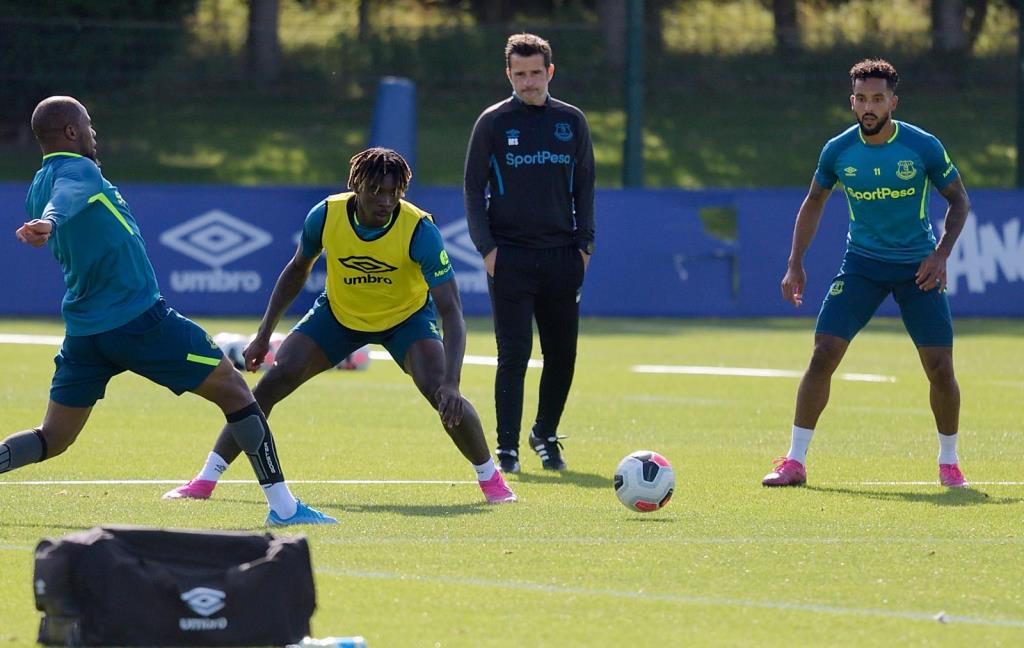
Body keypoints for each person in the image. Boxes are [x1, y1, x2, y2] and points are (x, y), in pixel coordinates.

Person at [3, 96, 336, 526]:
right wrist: (50, 221)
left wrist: (47, 220)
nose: (93, 132)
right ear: (70, 132)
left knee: (53, 437)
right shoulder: (77, 170)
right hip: (139, 322)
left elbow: (63, 202)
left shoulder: (35, 185)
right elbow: (69, 195)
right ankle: (286, 509)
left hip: (86, 334)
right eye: (88, 124)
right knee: (236, 391)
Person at [164, 147, 517, 504]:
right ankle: (205, 481)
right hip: (339, 316)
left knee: (441, 393)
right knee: (273, 382)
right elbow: (296, 270)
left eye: (394, 193)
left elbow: (452, 312)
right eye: (376, 191)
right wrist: (263, 335)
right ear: (356, 186)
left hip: (406, 320)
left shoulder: (419, 231)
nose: (386, 201)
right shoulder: (326, 215)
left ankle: (492, 481)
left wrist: (452, 382)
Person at [762, 59, 971, 488]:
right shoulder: (838, 150)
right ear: (851, 101)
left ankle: (949, 462)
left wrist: (940, 254)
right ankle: (794, 461)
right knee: (823, 354)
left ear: (893, 101)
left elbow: (959, 201)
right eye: (861, 98)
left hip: (917, 268)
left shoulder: (922, 146)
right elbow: (814, 201)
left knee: (940, 367)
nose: (869, 106)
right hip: (862, 265)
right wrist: (795, 263)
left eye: (878, 98)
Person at [463, 33, 595, 474]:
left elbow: (585, 186)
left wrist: (585, 245)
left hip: (562, 257)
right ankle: (507, 449)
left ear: (550, 72)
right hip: (511, 259)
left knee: (562, 354)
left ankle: (544, 432)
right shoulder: (494, 122)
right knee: (513, 354)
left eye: (536, 73)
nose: (528, 82)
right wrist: (488, 250)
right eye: (519, 74)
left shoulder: (571, 121)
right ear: (509, 75)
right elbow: (472, 188)